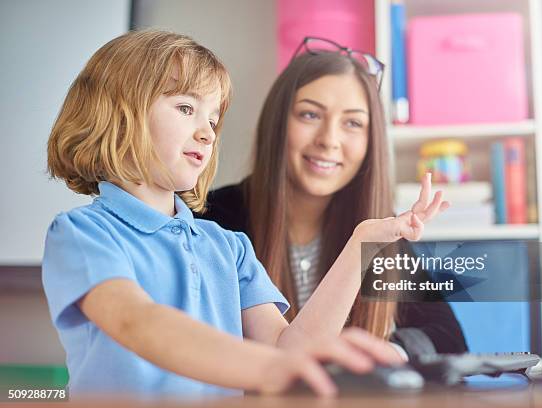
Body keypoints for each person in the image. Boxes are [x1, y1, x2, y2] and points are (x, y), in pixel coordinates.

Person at [40, 30, 441, 398]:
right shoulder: (82, 233)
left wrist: (362, 244)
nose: (207, 132)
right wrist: (272, 368)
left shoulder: (229, 247)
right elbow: (136, 322)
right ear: (116, 114)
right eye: (185, 108)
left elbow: (290, 350)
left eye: (213, 120)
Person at [198, 37, 468, 357]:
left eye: (352, 123)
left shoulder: (377, 228)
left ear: (371, 142)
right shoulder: (213, 220)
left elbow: (448, 340)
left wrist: (387, 354)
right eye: (310, 115)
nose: (329, 140)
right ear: (278, 123)